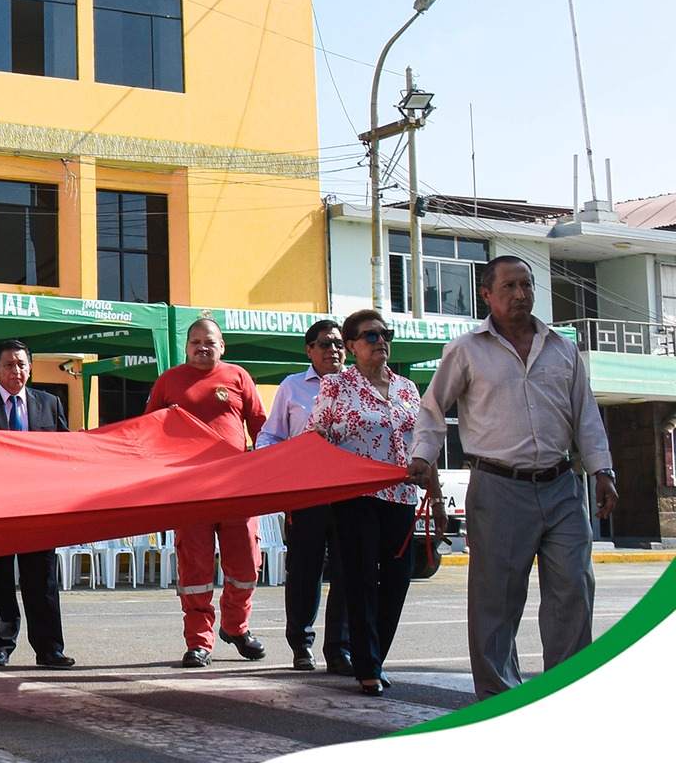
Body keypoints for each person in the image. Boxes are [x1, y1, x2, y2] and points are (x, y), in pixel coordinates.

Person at [408, 255, 616, 700]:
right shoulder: (466, 349)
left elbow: (586, 417)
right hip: (498, 488)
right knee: (496, 600)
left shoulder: (562, 348)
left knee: (574, 588)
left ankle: (567, 691)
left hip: (562, 486)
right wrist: (423, 459)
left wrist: (603, 470)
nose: (521, 294)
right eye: (509, 287)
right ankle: (500, 699)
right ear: (486, 295)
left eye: (527, 285)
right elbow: (432, 410)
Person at [307, 308, 426, 697]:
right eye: (371, 336)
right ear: (353, 345)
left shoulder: (408, 388)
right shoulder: (336, 387)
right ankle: (368, 667)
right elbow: (315, 437)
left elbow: (424, 444)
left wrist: (435, 495)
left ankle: (376, 657)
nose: (381, 342)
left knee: (397, 579)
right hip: (356, 497)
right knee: (360, 580)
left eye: (385, 334)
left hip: (403, 495)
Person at [146, 317, 268, 668]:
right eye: (196, 342)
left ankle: (236, 627)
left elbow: (262, 428)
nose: (202, 347)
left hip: (236, 490)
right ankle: (199, 642)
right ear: (186, 347)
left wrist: (273, 469)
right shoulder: (169, 381)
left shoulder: (238, 377)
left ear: (222, 346)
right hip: (188, 492)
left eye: (209, 342)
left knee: (246, 565)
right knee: (195, 570)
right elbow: (147, 430)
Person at [0, 340, 77, 670]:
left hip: (38, 506)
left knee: (42, 579)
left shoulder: (49, 403)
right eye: (9, 365)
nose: (16, 371)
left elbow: (63, 451)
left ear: (31, 368)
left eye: (22, 364)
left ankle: (49, 647)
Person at [257, 318, 352, 674]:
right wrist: (276, 466)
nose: (334, 350)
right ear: (309, 350)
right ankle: (301, 645)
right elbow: (269, 436)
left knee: (348, 571)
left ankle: (339, 648)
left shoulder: (357, 385)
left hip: (350, 494)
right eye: (325, 344)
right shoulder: (292, 387)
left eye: (340, 344)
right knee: (304, 571)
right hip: (307, 492)